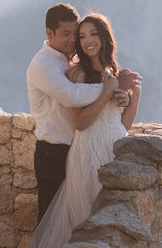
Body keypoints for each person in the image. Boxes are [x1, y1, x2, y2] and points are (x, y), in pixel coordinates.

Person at [30, 13, 141, 248]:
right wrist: (108, 91)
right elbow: (80, 123)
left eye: (93, 34)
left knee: (111, 223)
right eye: (82, 36)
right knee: (86, 220)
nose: (87, 40)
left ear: (104, 37)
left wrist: (133, 97)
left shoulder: (114, 73)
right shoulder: (77, 73)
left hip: (114, 149)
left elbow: (122, 125)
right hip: (88, 151)